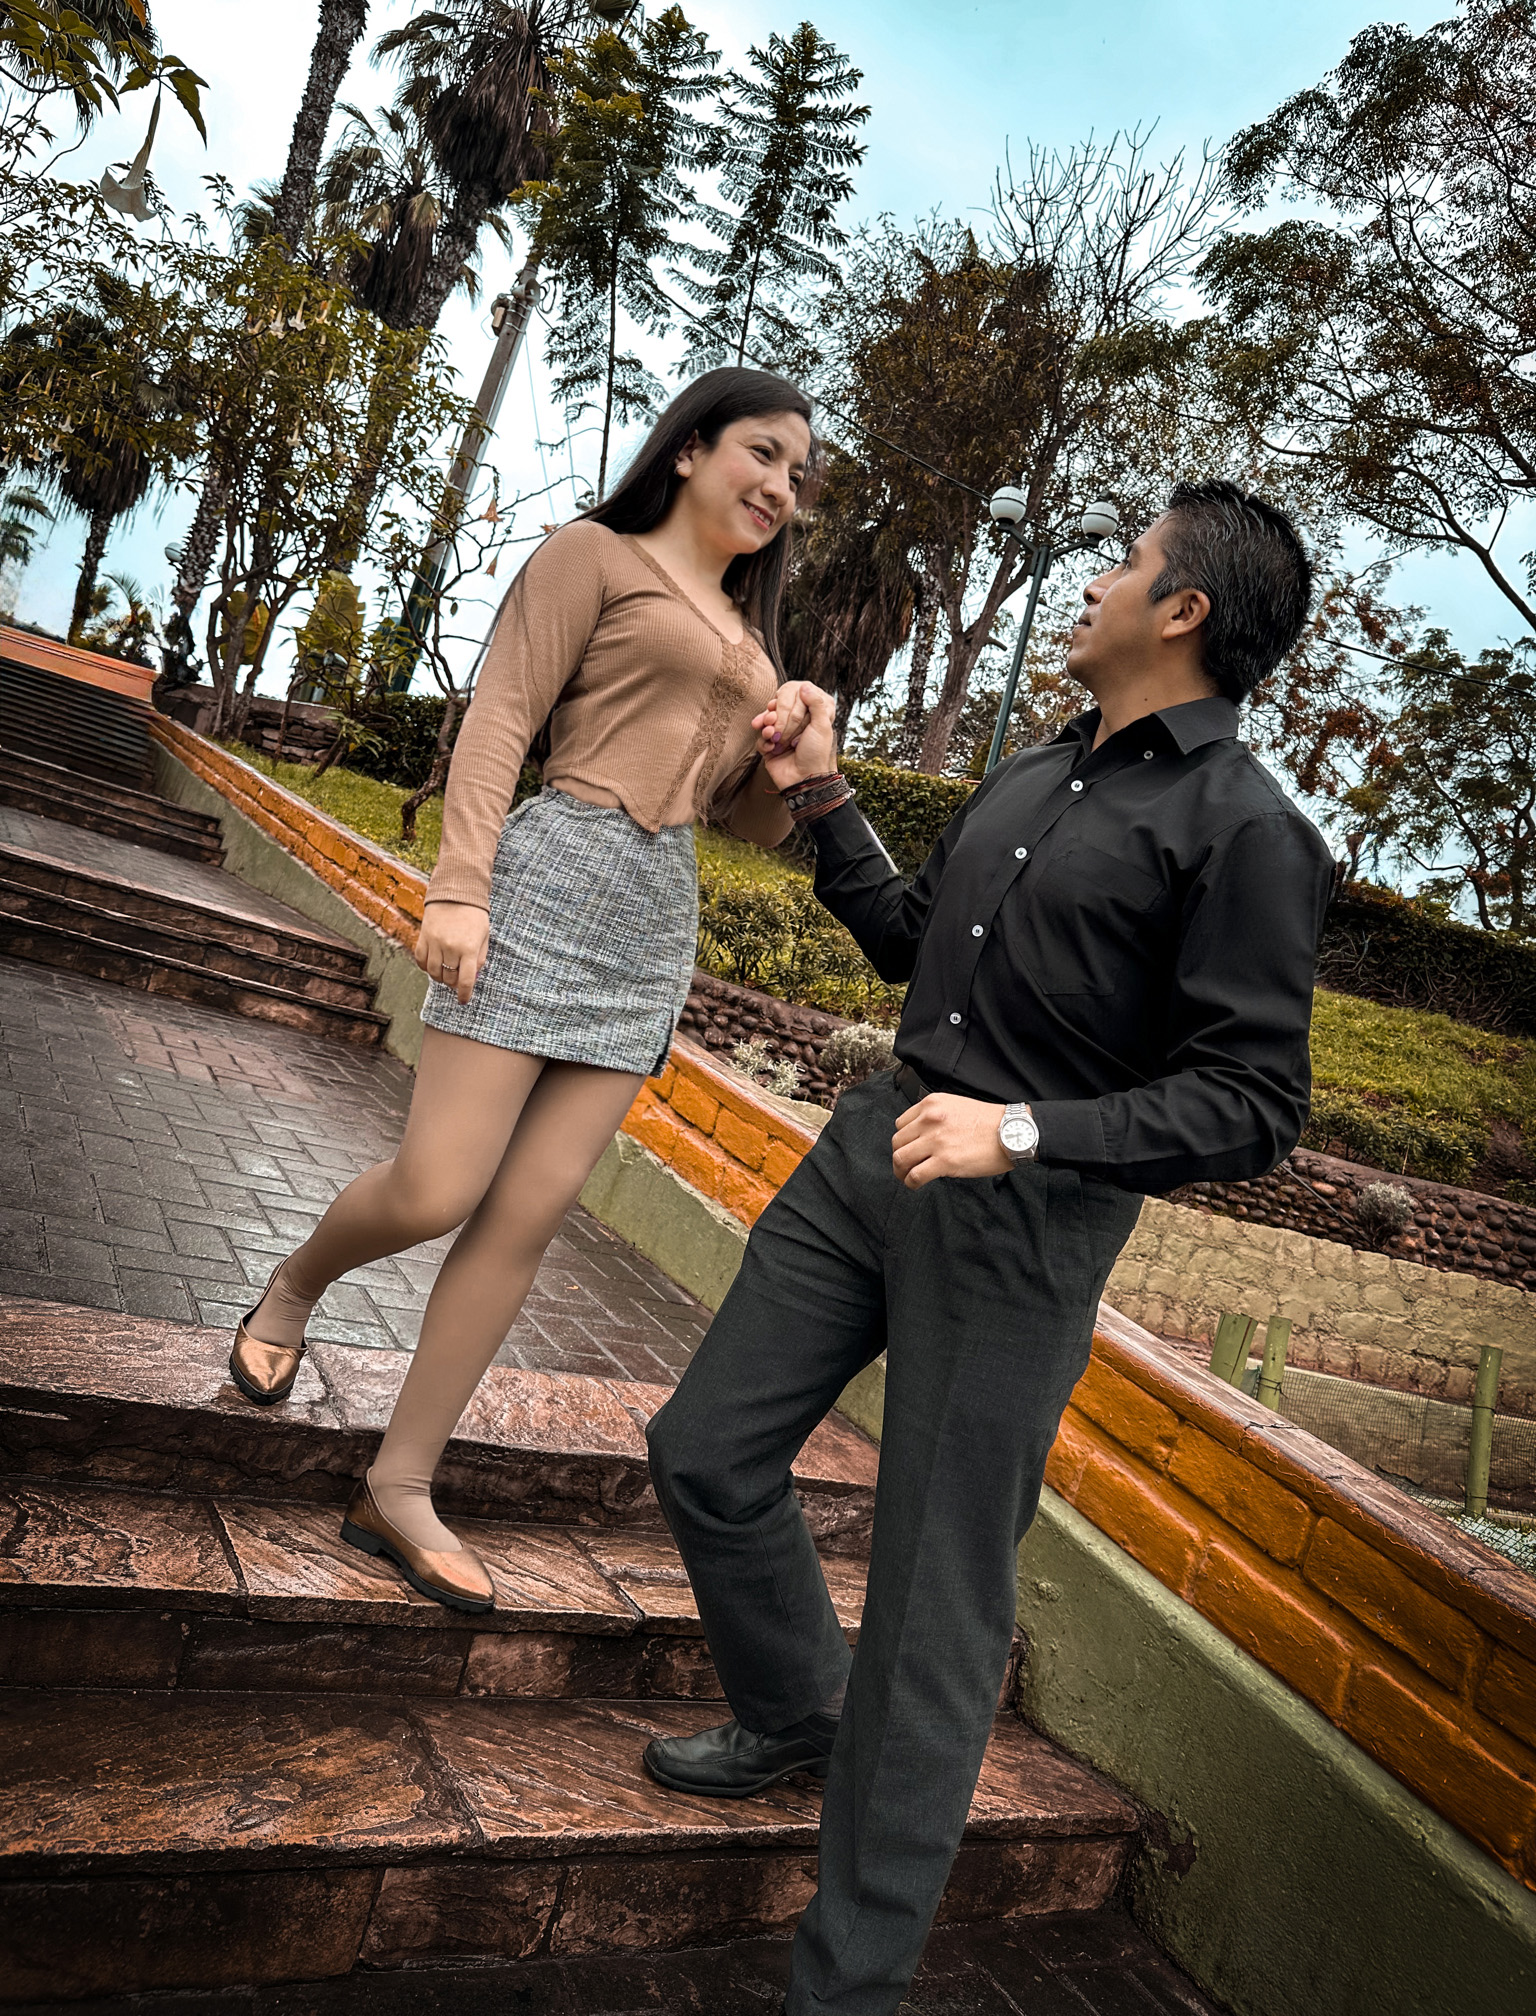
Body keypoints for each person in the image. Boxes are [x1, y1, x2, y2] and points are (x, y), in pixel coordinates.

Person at [642, 480, 1336, 2015]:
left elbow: (1252, 1104)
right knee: (705, 1447)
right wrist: (821, 793)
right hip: (874, 1153)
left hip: (1022, 1225)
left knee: (931, 1613)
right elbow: (913, 945)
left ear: (1184, 611)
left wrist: (1022, 1131)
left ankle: (848, 1986)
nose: (1094, 581)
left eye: (1125, 561)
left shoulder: (1247, 832)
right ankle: (796, 1709)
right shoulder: (1033, 777)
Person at [226, 367, 819, 1613]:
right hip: (546, 880)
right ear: (690, 448)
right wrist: (459, 887)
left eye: (797, 475)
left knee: (527, 1216)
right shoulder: (592, 555)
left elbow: (752, 824)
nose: (780, 487)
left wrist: (799, 751)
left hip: (651, 926)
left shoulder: (759, 649)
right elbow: (500, 718)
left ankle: (399, 1484)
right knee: (438, 1185)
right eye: (763, 453)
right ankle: (296, 1283)